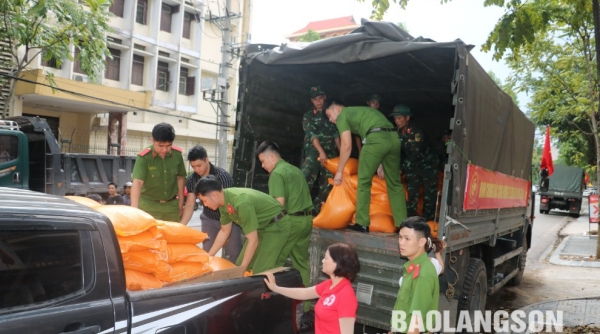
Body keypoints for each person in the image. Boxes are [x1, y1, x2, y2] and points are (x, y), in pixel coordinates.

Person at [324, 98, 407, 233]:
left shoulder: (343, 115)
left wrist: (339, 171)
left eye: (329, 115)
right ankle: (403, 225)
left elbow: (347, 145)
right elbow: (379, 134)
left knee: (363, 181)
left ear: (337, 109)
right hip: (393, 139)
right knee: (395, 184)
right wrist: (381, 163)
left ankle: (362, 223)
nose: (330, 120)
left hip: (376, 139)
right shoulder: (362, 112)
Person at [256, 140, 313, 313]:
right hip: (307, 221)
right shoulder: (295, 170)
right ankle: (306, 304)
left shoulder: (277, 174)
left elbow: (278, 204)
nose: (263, 166)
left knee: (276, 261)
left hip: (292, 222)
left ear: (272, 157)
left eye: (263, 161)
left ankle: (275, 305)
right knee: (301, 262)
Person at [195, 175, 291, 273]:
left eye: (205, 201)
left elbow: (253, 241)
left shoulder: (241, 202)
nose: (205, 205)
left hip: (276, 226)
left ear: (214, 195)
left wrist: (242, 269)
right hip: (261, 228)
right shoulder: (223, 203)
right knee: (240, 264)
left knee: (260, 270)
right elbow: (224, 231)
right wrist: (209, 257)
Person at [263, 242, 359, 334]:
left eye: (326, 258)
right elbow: (303, 293)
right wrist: (275, 288)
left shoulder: (346, 295)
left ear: (337, 263)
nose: (322, 261)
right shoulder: (328, 285)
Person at [180, 145, 242, 262]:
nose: (197, 170)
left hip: (230, 218)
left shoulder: (223, 176)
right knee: (207, 252)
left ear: (207, 160)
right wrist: (180, 227)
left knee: (233, 253)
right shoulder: (193, 179)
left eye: (199, 165)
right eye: (193, 167)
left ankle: (231, 278)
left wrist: (227, 233)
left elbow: (229, 203)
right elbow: (189, 205)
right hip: (209, 219)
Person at [391, 216, 440, 334]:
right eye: (400, 237)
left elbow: (415, 324)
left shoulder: (422, 275)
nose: (401, 243)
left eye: (407, 239)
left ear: (421, 242)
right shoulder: (413, 267)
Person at [390, 105, 439, 221]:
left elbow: (413, 154)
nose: (397, 121)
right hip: (412, 167)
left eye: (399, 118)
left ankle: (428, 221)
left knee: (429, 195)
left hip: (428, 166)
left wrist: (401, 169)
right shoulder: (396, 132)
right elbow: (397, 152)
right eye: (395, 118)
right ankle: (409, 220)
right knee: (412, 194)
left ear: (407, 118)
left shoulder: (416, 132)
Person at [130, 122, 187, 222]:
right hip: (148, 207)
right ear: (152, 140)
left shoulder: (177, 155)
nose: (164, 150)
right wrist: (134, 209)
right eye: (160, 145)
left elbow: (180, 178)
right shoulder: (144, 157)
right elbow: (137, 183)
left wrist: (181, 202)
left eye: (168, 145)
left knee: (173, 236)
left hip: (171, 207)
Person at [301, 86, 341, 215]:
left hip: (330, 154)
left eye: (320, 98)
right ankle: (300, 208)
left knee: (329, 183)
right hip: (314, 152)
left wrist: (341, 154)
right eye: (315, 99)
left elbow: (336, 135)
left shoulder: (330, 113)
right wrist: (320, 152)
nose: (318, 102)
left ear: (325, 97)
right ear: (311, 100)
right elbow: (311, 135)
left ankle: (315, 209)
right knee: (305, 176)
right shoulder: (308, 116)